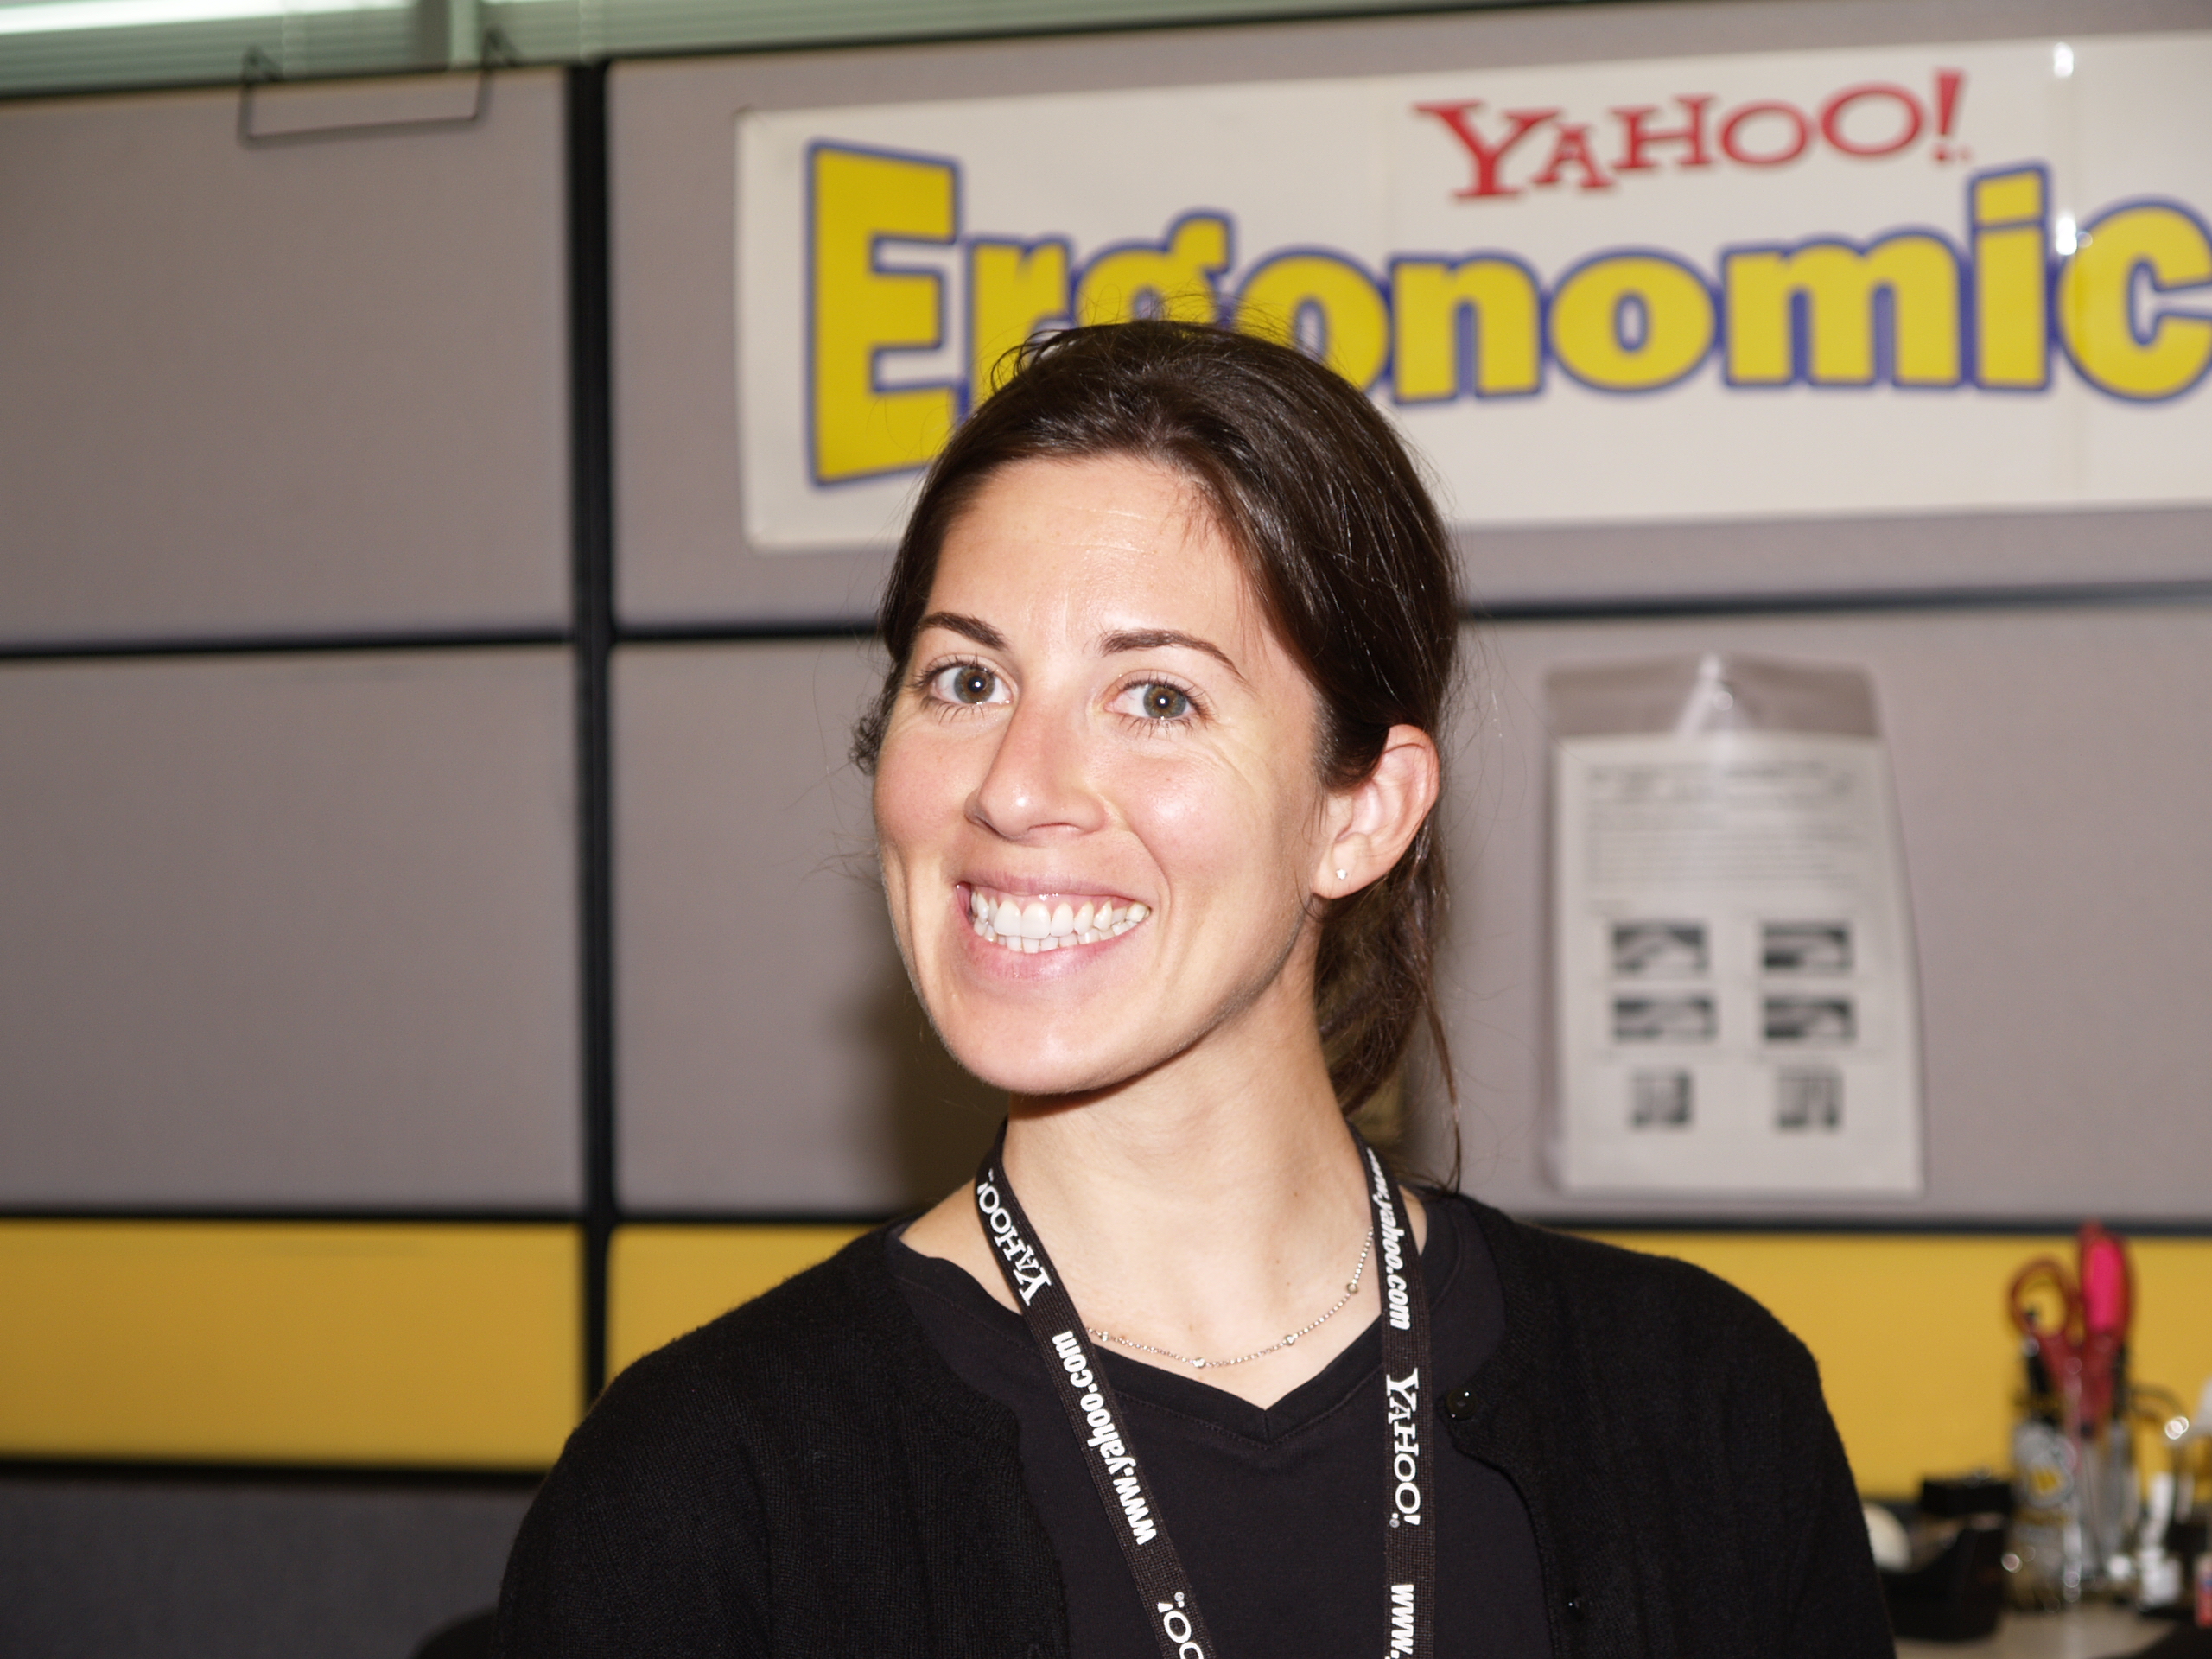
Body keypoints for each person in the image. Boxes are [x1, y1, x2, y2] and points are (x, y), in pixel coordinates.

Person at [494, 321, 1891, 1658]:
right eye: (967, 680)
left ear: (1361, 812)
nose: (1017, 787)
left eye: (1157, 697)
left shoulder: (1703, 1411)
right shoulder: (702, 1489)